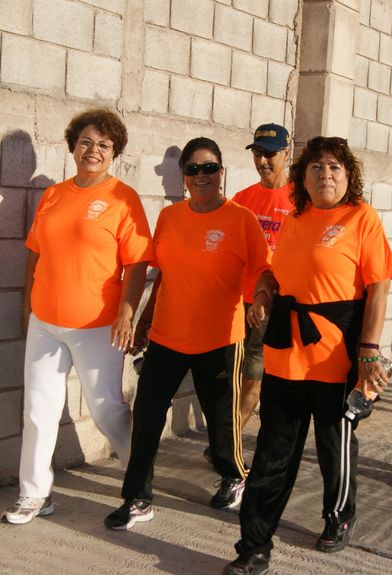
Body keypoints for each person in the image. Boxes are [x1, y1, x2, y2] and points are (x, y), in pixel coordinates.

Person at [224, 137, 392, 575]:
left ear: (349, 175)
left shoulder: (362, 217)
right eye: (316, 167)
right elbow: (276, 271)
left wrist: (369, 351)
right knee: (271, 457)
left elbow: (378, 288)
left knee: (333, 448)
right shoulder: (296, 219)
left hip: (335, 357)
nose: (325, 175)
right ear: (302, 177)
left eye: (335, 167)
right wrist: (264, 288)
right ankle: (254, 546)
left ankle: (339, 516)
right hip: (285, 355)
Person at [104, 137, 271, 530]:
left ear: (221, 172)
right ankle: (138, 498)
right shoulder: (170, 217)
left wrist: (262, 298)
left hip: (220, 340)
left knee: (221, 421)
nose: (201, 175)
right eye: (193, 169)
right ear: (183, 176)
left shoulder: (241, 219)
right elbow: (163, 274)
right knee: (146, 416)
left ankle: (234, 475)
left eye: (209, 167)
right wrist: (145, 320)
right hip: (167, 337)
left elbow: (264, 269)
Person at [2, 109, 154, 524]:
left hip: (97, 325)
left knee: (108, 411)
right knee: (38, 411)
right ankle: (35, 495)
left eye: (104, 145)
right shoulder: (53, 195)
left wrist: (126, 312)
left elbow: (137, 262)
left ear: (114, 153)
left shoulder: (123, 199)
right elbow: (35, 253)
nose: (94, 150)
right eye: (86, 141)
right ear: (73, 146)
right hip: (46, 322)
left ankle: (139, 488)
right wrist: (27, 307)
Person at [231, 123, 293, 431]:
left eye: (270, 154)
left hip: (274, 303)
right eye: (257, 153)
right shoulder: (242, 198)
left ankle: (230, 442)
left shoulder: (301, 201)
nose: (262, 161)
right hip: (236, 302)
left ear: (286, 154)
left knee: (254, 378)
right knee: (231, 376)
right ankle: (228, 439)